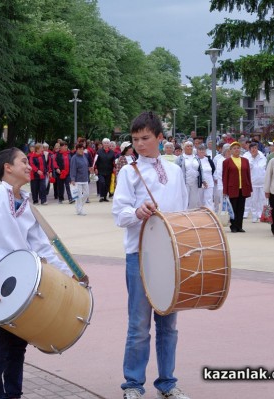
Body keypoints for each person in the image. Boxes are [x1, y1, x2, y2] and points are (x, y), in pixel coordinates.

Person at [0, 148, 85, 399]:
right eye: (24, 161)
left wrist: (72, 276)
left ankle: (14, 394)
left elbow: (43, 246)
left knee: (17, 346)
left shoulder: (28, 205)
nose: (29, 165)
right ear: (7, 168)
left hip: (25, 285)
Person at [113, 112, 189, 399]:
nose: (139, 144)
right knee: (138, 325)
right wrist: (136, 212)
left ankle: (168, 382)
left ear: (160, 138)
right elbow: (119, 215)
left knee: (168, 324)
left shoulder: (176, 171)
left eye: (145, 138)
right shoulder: (128, 172)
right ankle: (133, 384)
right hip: (139, 255)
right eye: (135, 140)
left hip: (171, 257)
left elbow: (182, 212)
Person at [222, 141, 252, 233]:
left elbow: (248, 175)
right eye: (234, 148)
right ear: (230, 150)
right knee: (233, 207)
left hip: (243, 187)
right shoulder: (227, 161)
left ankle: (240, 226)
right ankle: (233, 226)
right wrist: (225, 190)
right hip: (232, 187)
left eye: (238, 148)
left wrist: (249, 187)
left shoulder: (245, 161)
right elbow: (225, 176)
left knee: (241, 207)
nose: (236, 150)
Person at [243, 142, 267, 222]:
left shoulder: (262, 157)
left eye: (255, 148)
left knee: (263, 199)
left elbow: (265, 168)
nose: (254, 150)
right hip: (253, 182)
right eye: (252, 148)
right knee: (253, 200)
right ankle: (254, 215)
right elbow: (247, 168)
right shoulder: (247, 158)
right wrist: (252, 158)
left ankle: (262, 215)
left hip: (262, 182)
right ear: (249, 150)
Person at [175, 141, 200, 208]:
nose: (189, 148)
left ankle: (192, 214)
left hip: (195, 182)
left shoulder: (196, 157)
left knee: (194, 201)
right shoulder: (180, 158)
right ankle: (184, 214)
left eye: (191, 146)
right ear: (184, 148)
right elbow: (176, 170)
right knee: (185, 200)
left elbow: (201, 169)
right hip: (185, 182)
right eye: (187, 146)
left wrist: (202, 180)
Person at [94, 138, 116, 202]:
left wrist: (114, 167)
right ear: (103, 144)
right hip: (100, 171)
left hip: (109, 171)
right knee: (102, 182)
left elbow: (114, 161)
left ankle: (105, 197)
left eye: (107, 143)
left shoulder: (112, 152)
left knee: (107, 184)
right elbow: (95, 161)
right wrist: (95, 168)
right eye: (105, 143)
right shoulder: (99, 151)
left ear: (109, 144)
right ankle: (101, 196)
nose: (106, 144)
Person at [70, 143, 90, 215]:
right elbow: (73, 169)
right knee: (78, 195)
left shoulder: (84, 157)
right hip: (77, 180)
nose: (81, 150)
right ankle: (80, 210)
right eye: (80, 149)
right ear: (77, 149)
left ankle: (79, 206)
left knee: (86, 194)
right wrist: (73, 179)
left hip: (85, 179)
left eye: (82, 149)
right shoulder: (74, 158)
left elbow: (86, 166)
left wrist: (89, 169)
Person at [196, 144, 215, 210]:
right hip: (199, 182)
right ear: (197, 151)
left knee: (209, 198)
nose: (201, 151)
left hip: (209, 181)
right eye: (200, 150)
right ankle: (200, 213)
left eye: (203, 150)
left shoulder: (208, 160)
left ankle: (209, 212)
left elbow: (213, 169)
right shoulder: (195, 159)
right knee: (200, 200)